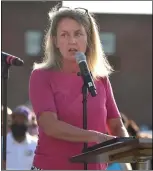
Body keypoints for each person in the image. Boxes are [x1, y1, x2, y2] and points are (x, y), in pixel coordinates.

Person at [29, 5, 129, 170]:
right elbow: (50, 126)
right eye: (64, 35)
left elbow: (116, 125)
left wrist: (126, 145)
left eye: (78, 34)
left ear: (88, 39)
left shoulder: (100, 79)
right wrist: (95, 136)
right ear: (55, 41)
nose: (72, 41)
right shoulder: (41, 76)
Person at [6, 105, 37, 170]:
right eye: (16, 120)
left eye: (22, 120)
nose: (19, 123)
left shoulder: (36, 145)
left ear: (29, 122)